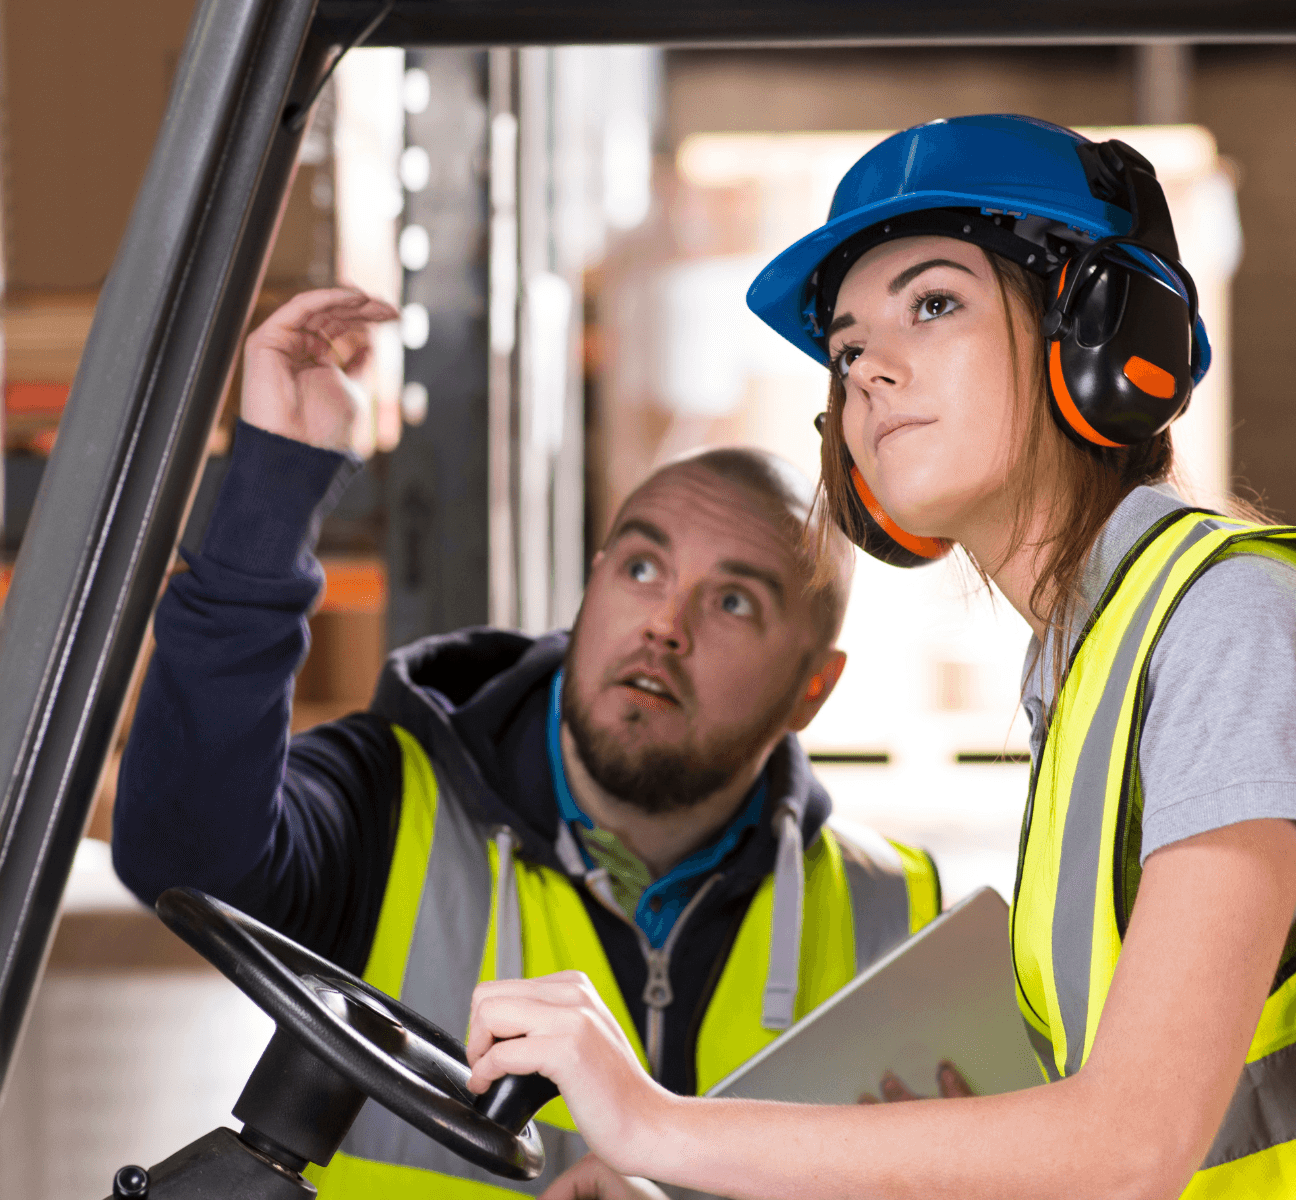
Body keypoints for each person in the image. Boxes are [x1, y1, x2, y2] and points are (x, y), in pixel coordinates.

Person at [463, 114, 1296, 1200]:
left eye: (933, 304)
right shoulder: (1091, 666)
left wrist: (658, 1126)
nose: (870, 373)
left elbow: (1129, 1148)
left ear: (1097, 331)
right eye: (846, 349)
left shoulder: (1231, 619)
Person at [112, 286, 943, 1196]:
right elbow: (181, 856)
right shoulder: (388, 802)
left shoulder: (896, 919)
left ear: (812, 688)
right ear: (592, 587)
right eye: (641, 567)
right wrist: (277, 484)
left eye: (734, 601)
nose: (665, 625)